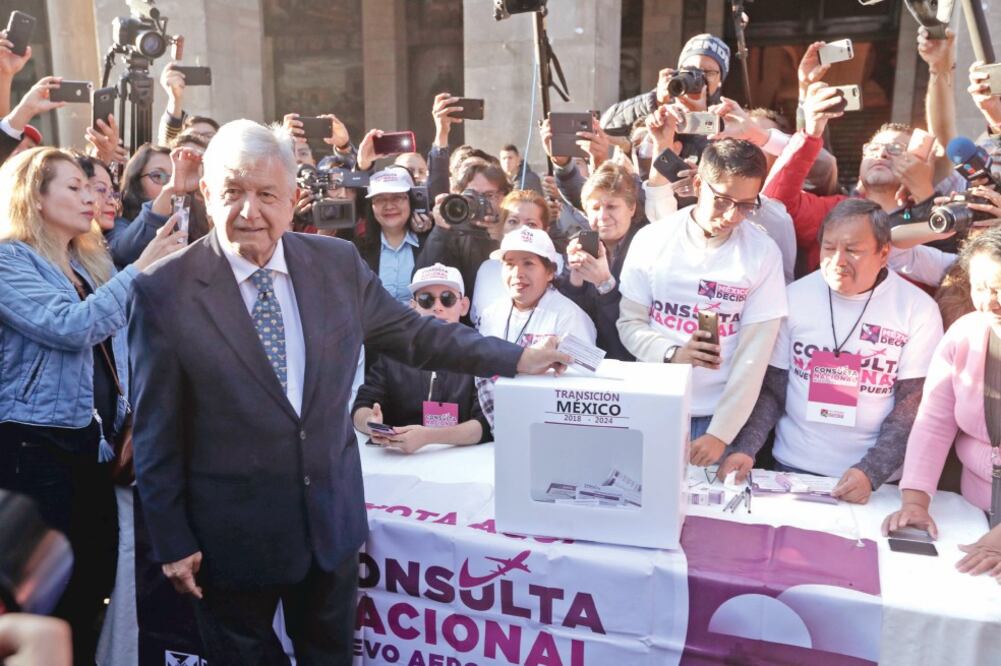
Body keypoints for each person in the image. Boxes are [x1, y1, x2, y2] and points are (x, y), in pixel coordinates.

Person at [127, 119, 569, 666]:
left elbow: (417, 336)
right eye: (232, 192)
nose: (249, 211)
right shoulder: (163, 291)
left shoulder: (334, 265)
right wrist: (172, 539)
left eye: (267, 194)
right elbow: (156, 431)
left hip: (328, 527)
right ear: (206, 194)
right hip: (229, 540)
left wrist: (517, 358)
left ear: (293, 196)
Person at [0, 147, 183, 664]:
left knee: (94, 579)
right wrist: (141, 269)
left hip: (93, 444)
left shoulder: (86, 261)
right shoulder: (9, 259)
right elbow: (71, 326)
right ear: (35, 197)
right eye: (75, 187)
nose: (91, 197)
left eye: (92, 187)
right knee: (48, 592)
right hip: (34, 446)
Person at [718, 199, 944, 502]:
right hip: (793, 468)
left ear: (884, 253)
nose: (838, 260)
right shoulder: (793, 297)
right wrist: (745, 448)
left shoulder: (917, 310)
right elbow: (771, 390)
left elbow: (912, 407)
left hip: (876, 482)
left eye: (853, 250)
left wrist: (871, 471)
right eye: (829, 248)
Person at [617, 138, 788, 465]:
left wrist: (721, 432)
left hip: (718, 415)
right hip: (654, 403)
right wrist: (673, 354)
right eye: (722, 200)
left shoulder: (763, 253)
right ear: (698, 184)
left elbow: (754, 356)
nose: (732, 215)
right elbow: (629, 324)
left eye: (746, 205)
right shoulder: (653, 239)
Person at [884, 228, 1001, 531]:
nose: (991, 302)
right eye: (981, 288)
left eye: (999, 289)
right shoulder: (964, 335)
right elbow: (934, 423)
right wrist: (915, 503)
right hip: (971, 514)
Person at [352, 264, 490, 453]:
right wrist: (372, 424)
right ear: (413, 306)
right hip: (400, 460)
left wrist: (428, 437)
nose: (437, 308)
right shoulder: (392, 353)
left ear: (464, 306)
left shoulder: (481, 353)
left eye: (447, 299)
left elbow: (486, 423)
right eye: (426, 300)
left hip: (461, 462)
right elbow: (361, 406)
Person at [476, 226, 596, 430]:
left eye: (528, 263)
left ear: (550, 272)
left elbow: (584, 388)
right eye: (509, 264)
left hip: (551, 429)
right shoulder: (490, 315)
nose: (517, 273)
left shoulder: (571, 317)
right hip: (495, 426)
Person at [560, 162, 647, 361]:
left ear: (632, 208)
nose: (602, 216)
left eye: (611, 206)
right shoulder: (583, 245)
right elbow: (572, 318)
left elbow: (635, 325)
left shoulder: (647, 248)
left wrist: (605, 284)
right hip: (589, 362)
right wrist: (575, 279)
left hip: (633, 364)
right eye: (595, 208)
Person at [415, 158, 512, 306]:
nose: (480, 202)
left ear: (505, 196)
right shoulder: (451, 233)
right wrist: (440, 230)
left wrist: (500, 234)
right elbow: (424, 284)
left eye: (489, 195)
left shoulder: (516, 227)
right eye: (472, 196)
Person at [111, 143, 206, 266]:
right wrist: (171, 189)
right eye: (158, 176)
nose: (173, 181)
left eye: (174, 176)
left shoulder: (195, 221)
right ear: (136, 182)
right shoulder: (117, 223)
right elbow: (123, 252)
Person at [470, 189, 553, 324]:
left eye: (531, 224)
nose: (521, 229)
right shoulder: (486, 268)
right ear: (502, 226)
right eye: (513, 221)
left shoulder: (562, 268)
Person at [355, 166, 425, 304]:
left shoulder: (429, 243)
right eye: (380, 199)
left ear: (411, 200)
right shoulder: (357, 250)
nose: (389, 206)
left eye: (397, 198)